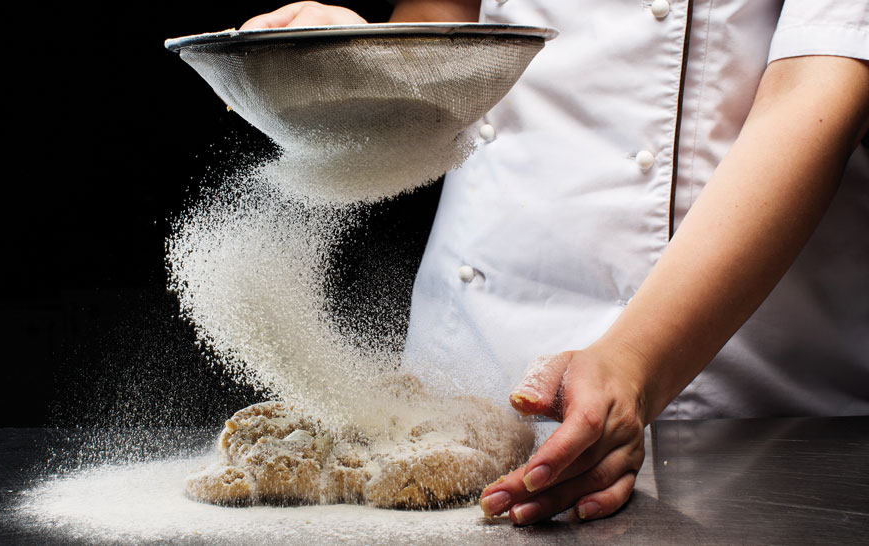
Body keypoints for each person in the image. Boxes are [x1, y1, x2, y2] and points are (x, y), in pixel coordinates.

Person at [240, 0, 869, 526]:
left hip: (729, 392)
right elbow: (446, 19)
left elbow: (815, 89)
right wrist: (359, 59)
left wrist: (636, 364)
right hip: (464, 362)